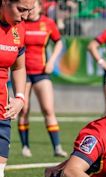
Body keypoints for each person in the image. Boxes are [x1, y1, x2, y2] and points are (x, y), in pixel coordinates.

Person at [17, 0, 66, 159]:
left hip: (41, 72)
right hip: (23, 73)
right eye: (27, 7)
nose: (29, 10)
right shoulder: (20, 22)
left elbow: (59, 42)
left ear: (39, 7)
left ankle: (57, 147)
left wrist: (52, 61)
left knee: (48, 110)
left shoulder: (48, 23)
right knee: (23, 110)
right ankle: (25, 147)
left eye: (33, 6)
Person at [0, 0, 34, 177]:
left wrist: (20, 98)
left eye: (29, 11)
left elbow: (19, 68)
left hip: (1, 114)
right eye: (21, 10)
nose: (25, 16)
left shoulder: (19, 29)